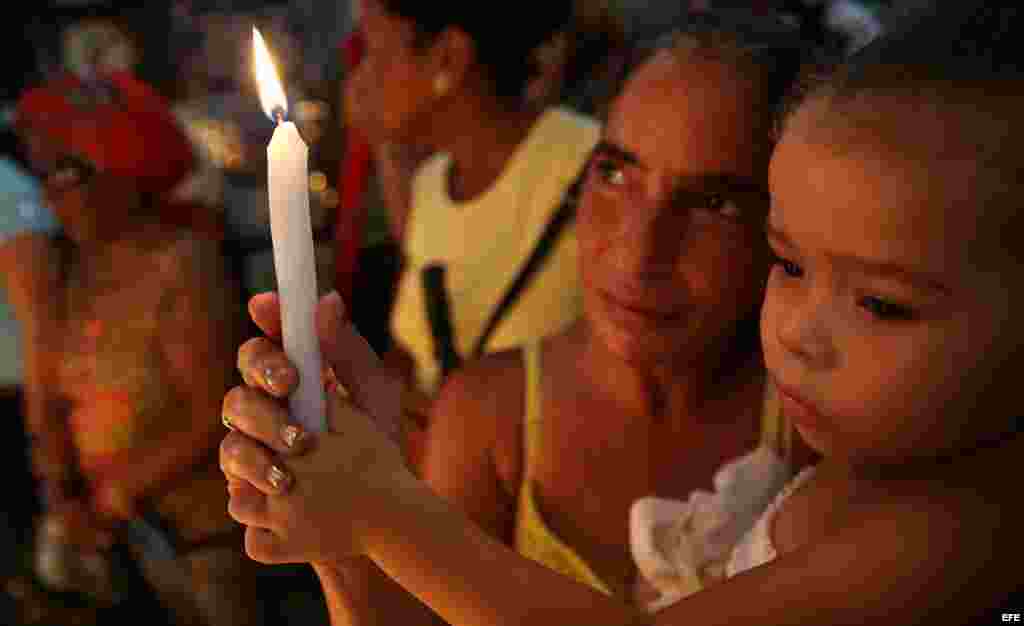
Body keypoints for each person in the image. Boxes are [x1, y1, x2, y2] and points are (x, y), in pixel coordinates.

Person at [222, 2, 1022, 625]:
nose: (639, 252)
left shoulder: (953, 518)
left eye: (711, 203)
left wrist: (381, 510)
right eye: (614, 174)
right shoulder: (492, 418)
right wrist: (348, 538)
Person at [14, 69, 263, 625]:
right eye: (46, 171)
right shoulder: (74, 269)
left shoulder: (183, 263)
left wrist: (113, 496)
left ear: (122, 169)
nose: (51, 191)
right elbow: (54, 391)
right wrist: (61, 488)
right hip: (114, 543)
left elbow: (212, 412)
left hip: (196, 543)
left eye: (67, 170)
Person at [346, 0, 599, 412]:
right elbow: (411, 356)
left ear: (449, 58)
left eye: (377, 51)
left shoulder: (590, 169)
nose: (360, 80)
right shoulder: (433, 185)